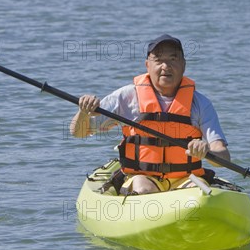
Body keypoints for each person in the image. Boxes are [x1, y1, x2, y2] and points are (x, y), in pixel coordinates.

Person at [70, 34, 230, 195]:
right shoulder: (126, 97)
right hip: (142, 177)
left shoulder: (200, 104)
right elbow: (78, 132)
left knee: (198, 194)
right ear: (147, 65)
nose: (165, 66)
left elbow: (223, 157)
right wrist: (83, 113)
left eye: (173, 59)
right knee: (144, 188)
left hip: (186, 179)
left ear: (183, 65)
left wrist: (207, 151)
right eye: (158, 60)